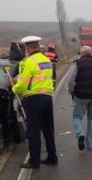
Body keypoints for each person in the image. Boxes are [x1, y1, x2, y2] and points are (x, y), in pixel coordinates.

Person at [11, 35, 58, 169]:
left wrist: (14, 87)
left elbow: (23, 84)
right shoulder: (46, 60)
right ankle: (52, 157)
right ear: (38, 46)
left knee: (33, 131)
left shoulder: (28, 61)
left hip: (33, 99)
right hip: (47, 98)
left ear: (27, 48)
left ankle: (34, 161)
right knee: (48, 129)